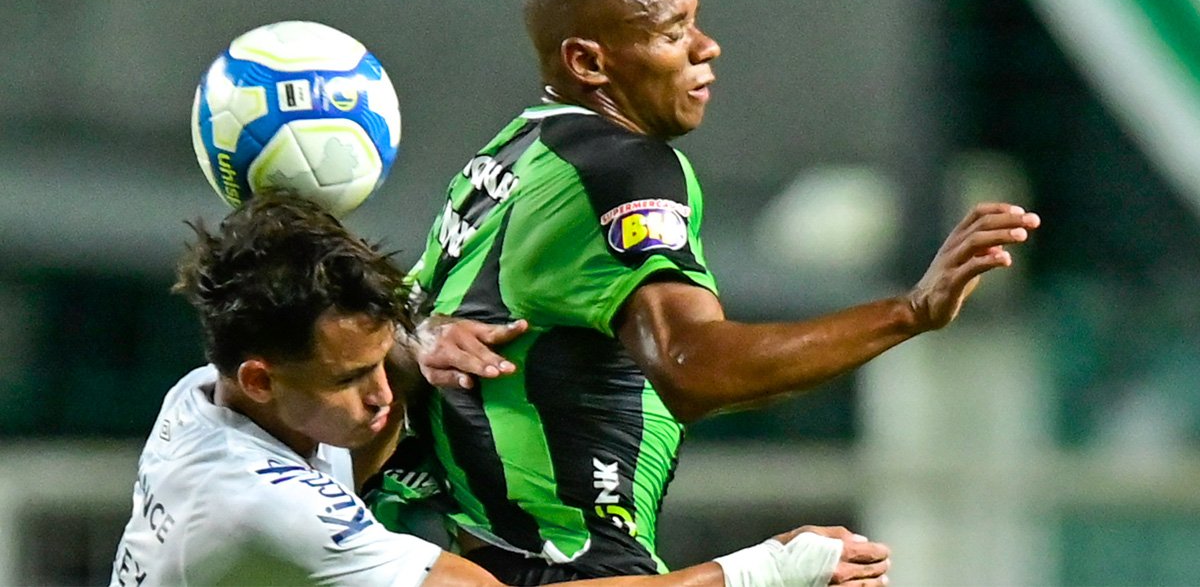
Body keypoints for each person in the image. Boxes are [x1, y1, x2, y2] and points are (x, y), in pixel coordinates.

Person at [395, 0, 1040, 585]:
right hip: (570, 566)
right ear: (589, 63)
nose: (707, 48)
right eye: (674, 33)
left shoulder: (508, 154)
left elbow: (403, 315)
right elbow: (691, 364)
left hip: (489, 553)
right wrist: (909, 312)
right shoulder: (623, 167)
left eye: (695, 23)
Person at [109, 190, 890, 587]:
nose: (382, 396)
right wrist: (759, 570)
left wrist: (420, 331)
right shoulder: (258, 510)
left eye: (381, 362)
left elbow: (377, 370)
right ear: (259, 378)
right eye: (352, 379)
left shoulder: (212, 392)